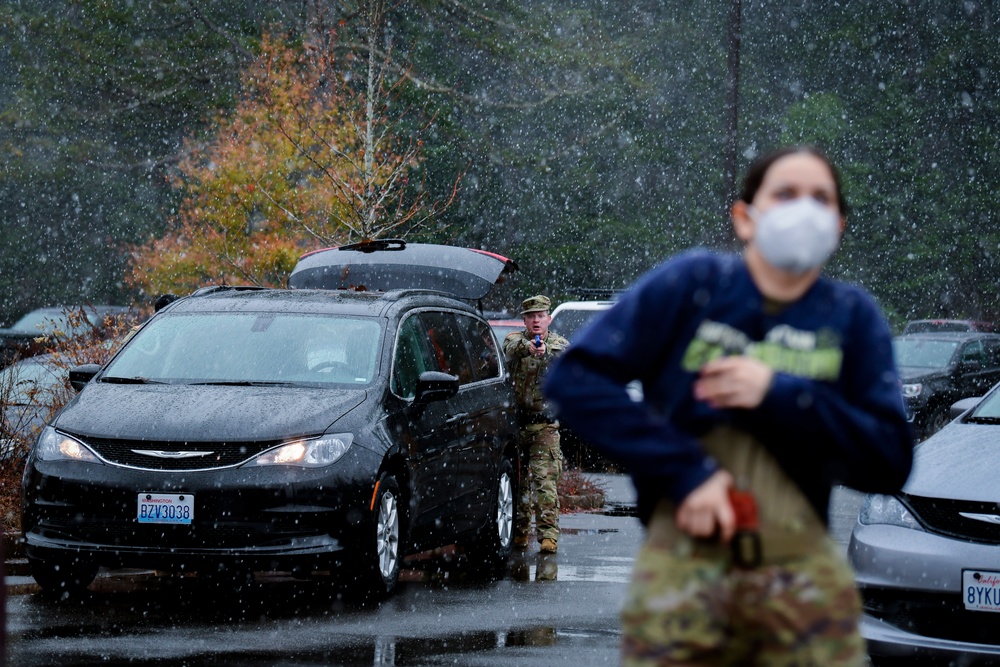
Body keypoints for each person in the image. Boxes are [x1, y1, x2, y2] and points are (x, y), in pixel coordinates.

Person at [543, 146, 914, 666]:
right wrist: (685, 472)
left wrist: (781, 394)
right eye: (785, 194)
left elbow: (890, 458)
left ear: (839, 224)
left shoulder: (852, 317)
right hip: (683, 573)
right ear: (744, 217)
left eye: (820, 198)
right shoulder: (695, 286)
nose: (802, 209)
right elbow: (574, 380)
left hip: (803, 580)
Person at [503, 295, 570, 554]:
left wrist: (545, 352)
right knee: (518, 483)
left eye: (540, 315)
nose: (536, 320)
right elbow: (511, 349)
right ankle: (519, 533)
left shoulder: (558, 344)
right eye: (531, 316)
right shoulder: (515, 340)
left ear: (549, 319)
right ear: (524, 320)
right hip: (517, 426)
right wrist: (529, 348)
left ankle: (548, 536)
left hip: (544, 427)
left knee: (544, 482)